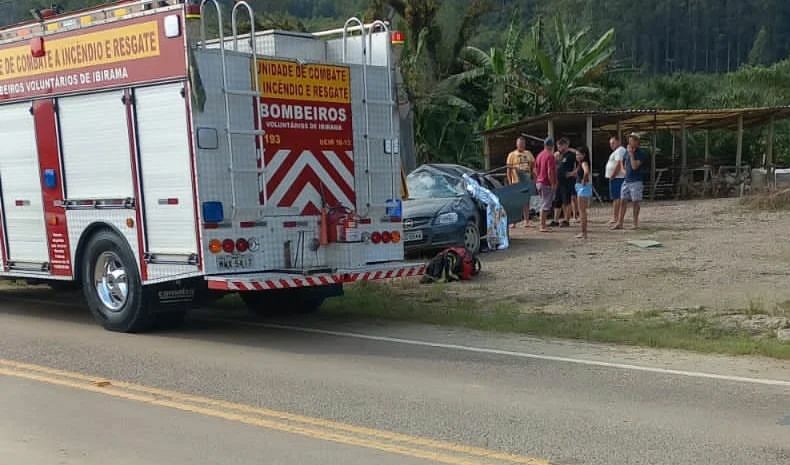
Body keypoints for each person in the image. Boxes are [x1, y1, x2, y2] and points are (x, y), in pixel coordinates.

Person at [614, 133, 648, 230]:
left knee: (635, 202)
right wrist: (623, 171)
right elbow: (623, 162)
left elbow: (634, 166)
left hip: (636, 181)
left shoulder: (640, 153)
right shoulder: (626, 152)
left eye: (632, 140)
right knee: (622, 201)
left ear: (637, 142)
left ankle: (635, 223)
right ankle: (620, 223)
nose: (630, 142)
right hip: (627, 180)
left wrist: (632, 154)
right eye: (630, 140)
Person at [505, 135, 535, 227]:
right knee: (515, 203)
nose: (521, 145)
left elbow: (533, 167)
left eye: (523, 144)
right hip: (516, 182)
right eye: (520, 144)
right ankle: (514, 222)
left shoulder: (528, 153)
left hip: (526, 181)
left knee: (526, 201)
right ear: (516, 144)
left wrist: (534, 179)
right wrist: (510, 182)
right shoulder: (512, 155)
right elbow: (508, 170)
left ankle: (526, 221)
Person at [534, 137, 557, 233]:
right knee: (546, 205)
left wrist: (538, 178)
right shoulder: (550, 156)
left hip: (539, 182)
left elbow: (535, 169)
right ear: (552, 146)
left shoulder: (539, 155)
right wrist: (553, 184)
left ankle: (542, 224)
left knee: (543, 203)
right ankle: (542, 225)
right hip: (546, 183)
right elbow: (550, 171)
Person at [605, 135, 626, 225]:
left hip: (618, 178)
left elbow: (619, 163)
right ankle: (615, 216)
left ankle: (616, 217)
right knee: (615, 198)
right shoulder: (616, 151)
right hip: (615, 178)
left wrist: (613, 175)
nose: (611, 145)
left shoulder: (620, 150)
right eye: (610, 143)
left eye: (613, 143)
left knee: (617, 198)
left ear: (618, 142)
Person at [555, 138, 576, 228]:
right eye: (558, 146)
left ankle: (566, 220)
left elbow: (580, 163)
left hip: (567, 181)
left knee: (566, 200)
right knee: (557, 201)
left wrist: (573, 173)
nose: (559, 148)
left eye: (560, 146)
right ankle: (555, 220)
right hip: (559, 181)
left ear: (565, 145)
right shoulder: (559, 155)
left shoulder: (571, 155)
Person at [574, 146, 593, 239]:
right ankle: (583, 232)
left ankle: (583, 232)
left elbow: (586, 172)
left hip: (582, 188)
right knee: (582, 211)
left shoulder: (584, 163)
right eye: (576, 155)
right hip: (580, 187)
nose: (577, 156)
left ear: (584, 155)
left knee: (582, 211)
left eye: (579, 154)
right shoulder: (580, 163)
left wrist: (584, 180)